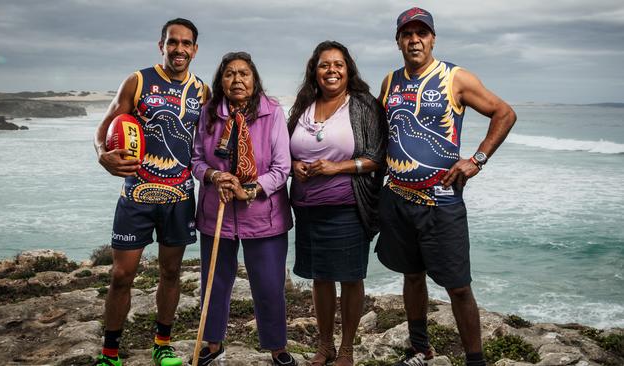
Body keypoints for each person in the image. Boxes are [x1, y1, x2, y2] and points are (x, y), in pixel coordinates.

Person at [375, 7, 517, 366]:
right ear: (398, 41)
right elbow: (380, 135)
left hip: (442, 202)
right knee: (411, 276)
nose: (414, 39)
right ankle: (420, 349)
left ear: (433, 38)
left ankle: (475, 360)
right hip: (398, 198)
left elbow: (504, 112)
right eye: (407, 34)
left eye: (422, 33)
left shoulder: (455, 78)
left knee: (457, 285)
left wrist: (477, 160)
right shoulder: (390, 82)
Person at [93, 18, 208, 366]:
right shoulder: (139, 80)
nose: (179, 49)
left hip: (180, 197)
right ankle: (110, 353)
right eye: (173, 42)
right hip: (137, 196)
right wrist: (103, 156)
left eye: (186, 43)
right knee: (121, 275)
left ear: (195, 49)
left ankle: (162, 343)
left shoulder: (203, 90)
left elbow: (212, 139)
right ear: (162, 45)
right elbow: (104, 128)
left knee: (170, 273)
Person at [190, 51, 296, 366]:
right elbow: (196, 159)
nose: (237, 80)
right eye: (230, 74)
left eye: (244, 74)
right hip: (216, 211)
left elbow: (282, 166)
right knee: (215, 279)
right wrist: (213, 175)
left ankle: (277, 347)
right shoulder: (209, 113)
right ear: (221, 81)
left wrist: (249, 188)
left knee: (268, 283)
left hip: (264, 214)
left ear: (254, 78)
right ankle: (212, 344)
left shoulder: (272, 111)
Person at [287, 41, 387, 366]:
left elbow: (376, 158)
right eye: (324, 65)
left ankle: (347, 348)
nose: (331, 70)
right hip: (307, 208)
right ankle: (325, 345)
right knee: (320, 277)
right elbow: (283, 151)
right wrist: (292, 166)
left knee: (350, 277)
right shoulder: (304, 104)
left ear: (348, 70)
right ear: (314, 71)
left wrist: (337, 167)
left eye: (338, 65)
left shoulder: (362, 105)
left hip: (347, 207)